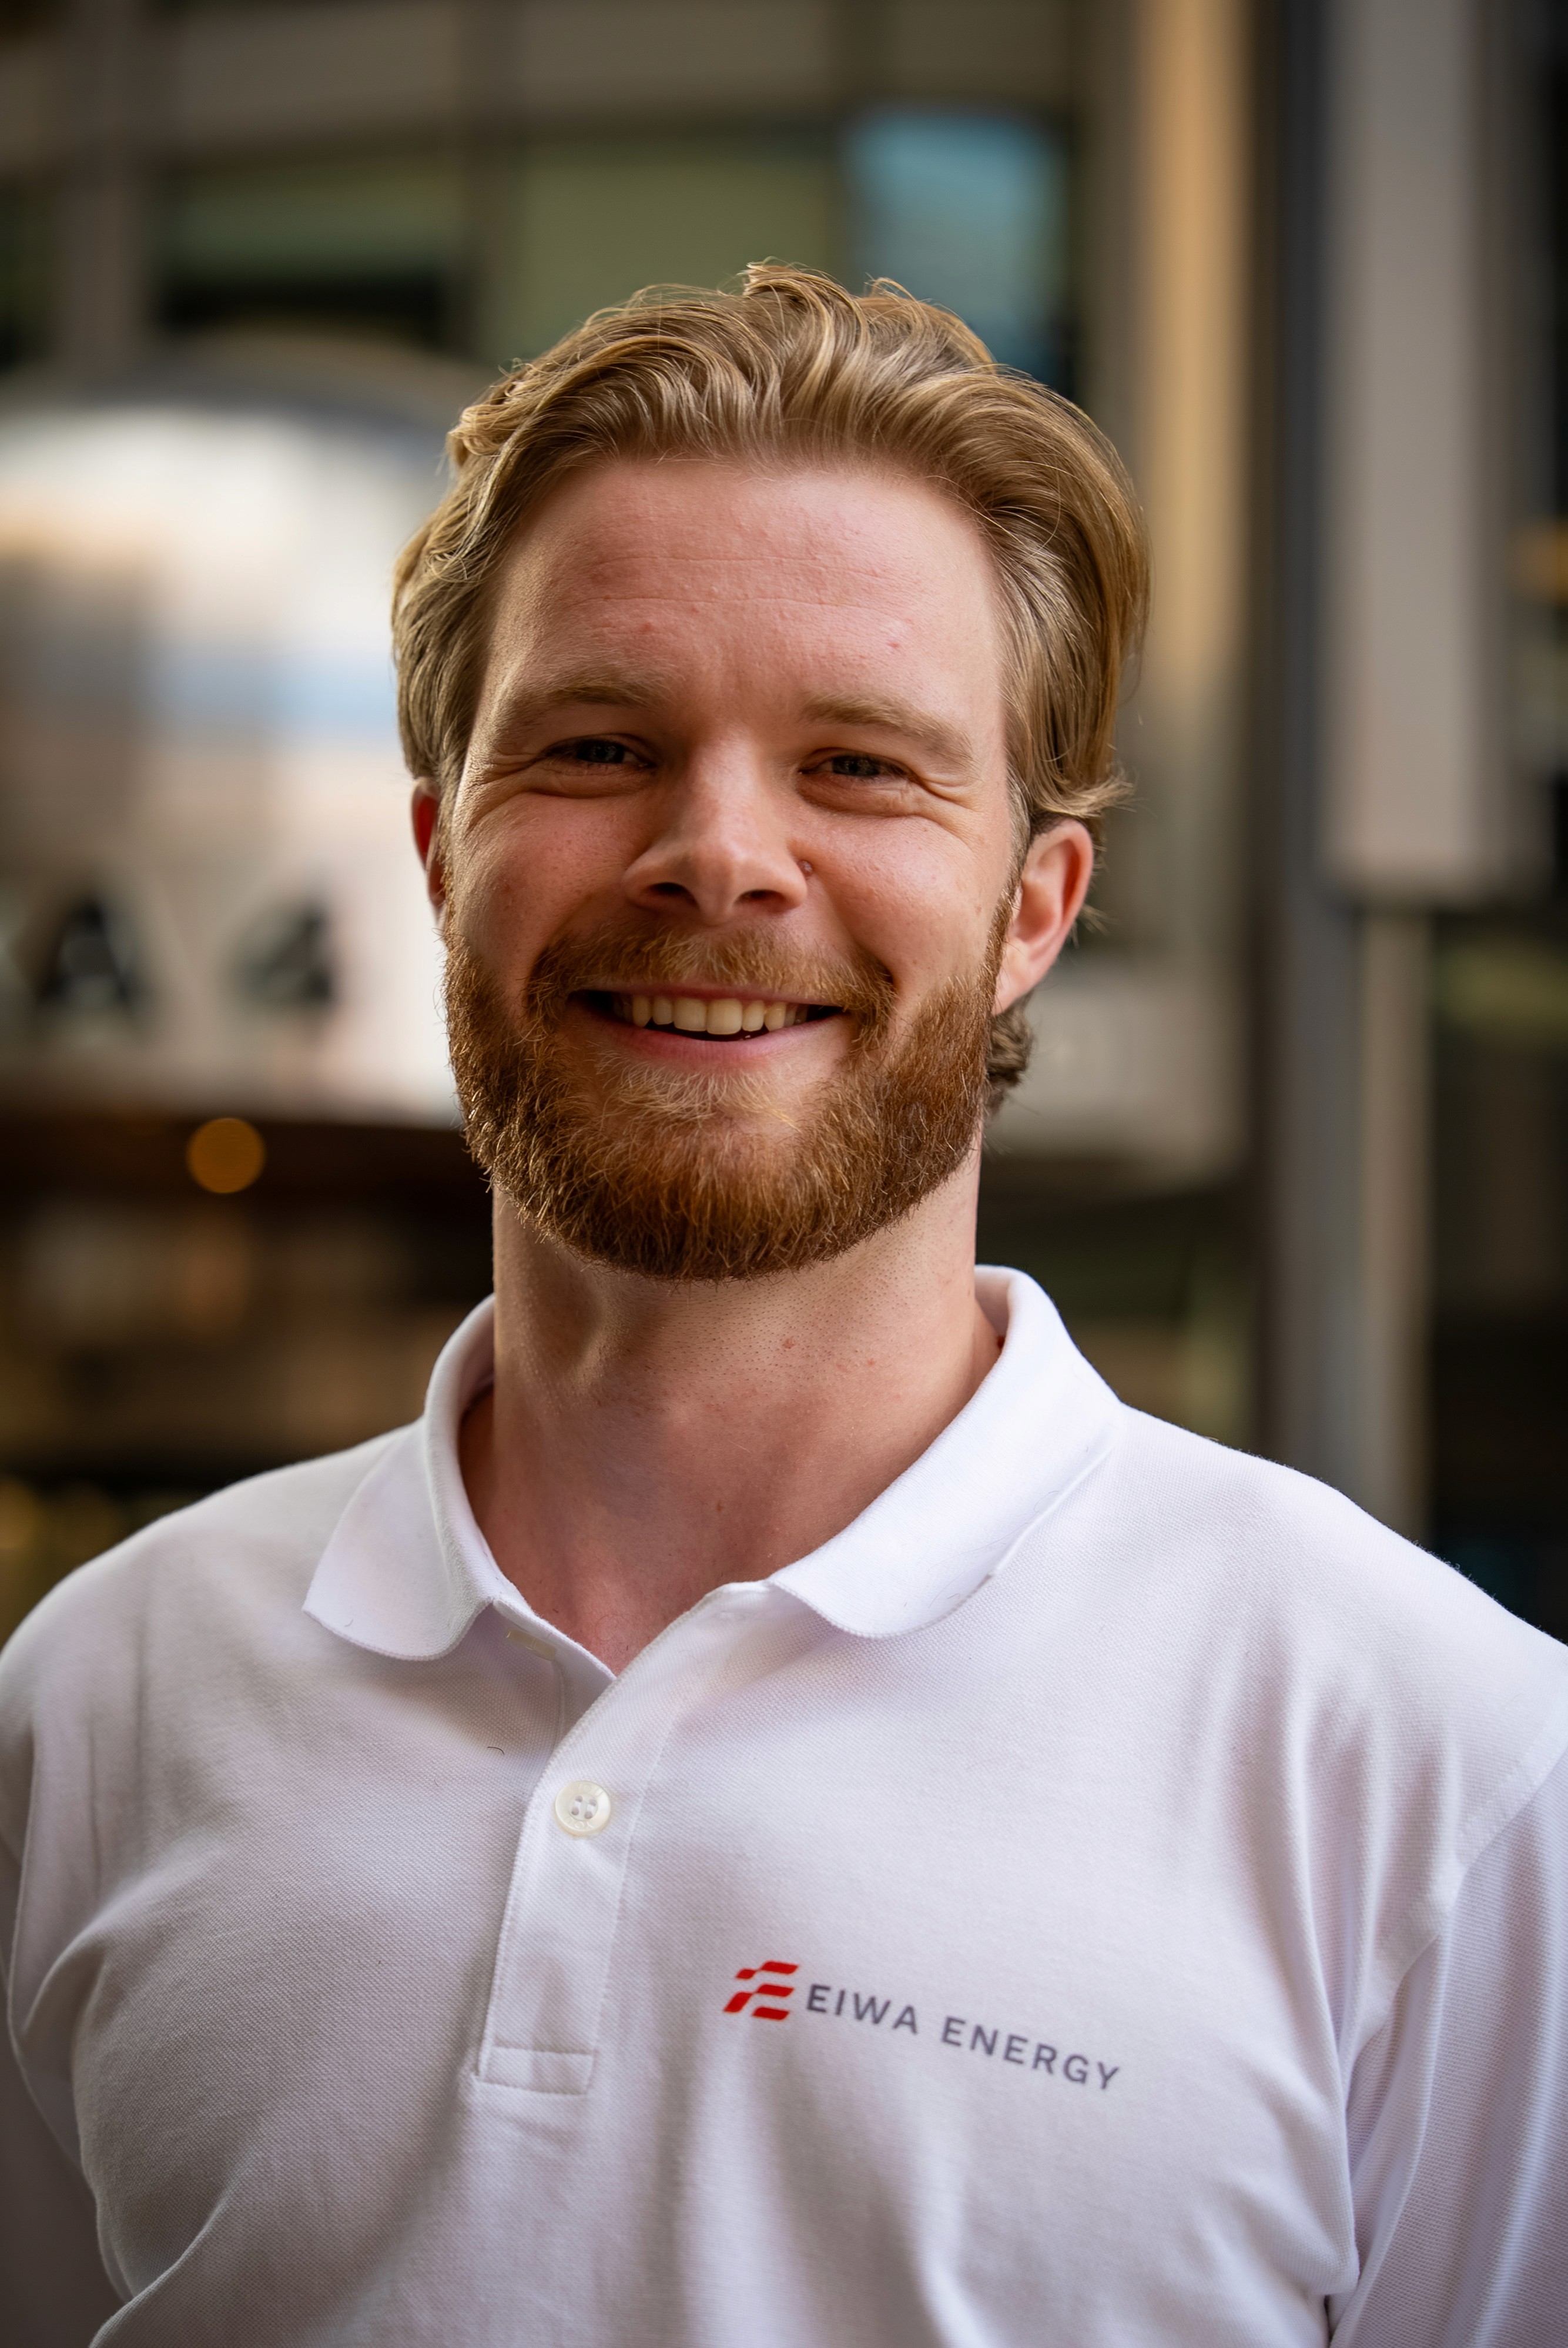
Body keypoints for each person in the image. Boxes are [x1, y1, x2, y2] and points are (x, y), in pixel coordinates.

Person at [2, 266, 1564, 2348]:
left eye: (857, 765)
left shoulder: (1438, 1768)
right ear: (439, 853)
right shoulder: (97, 1700)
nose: (719, 855)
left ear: (1033, 909)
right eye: (599, 744)